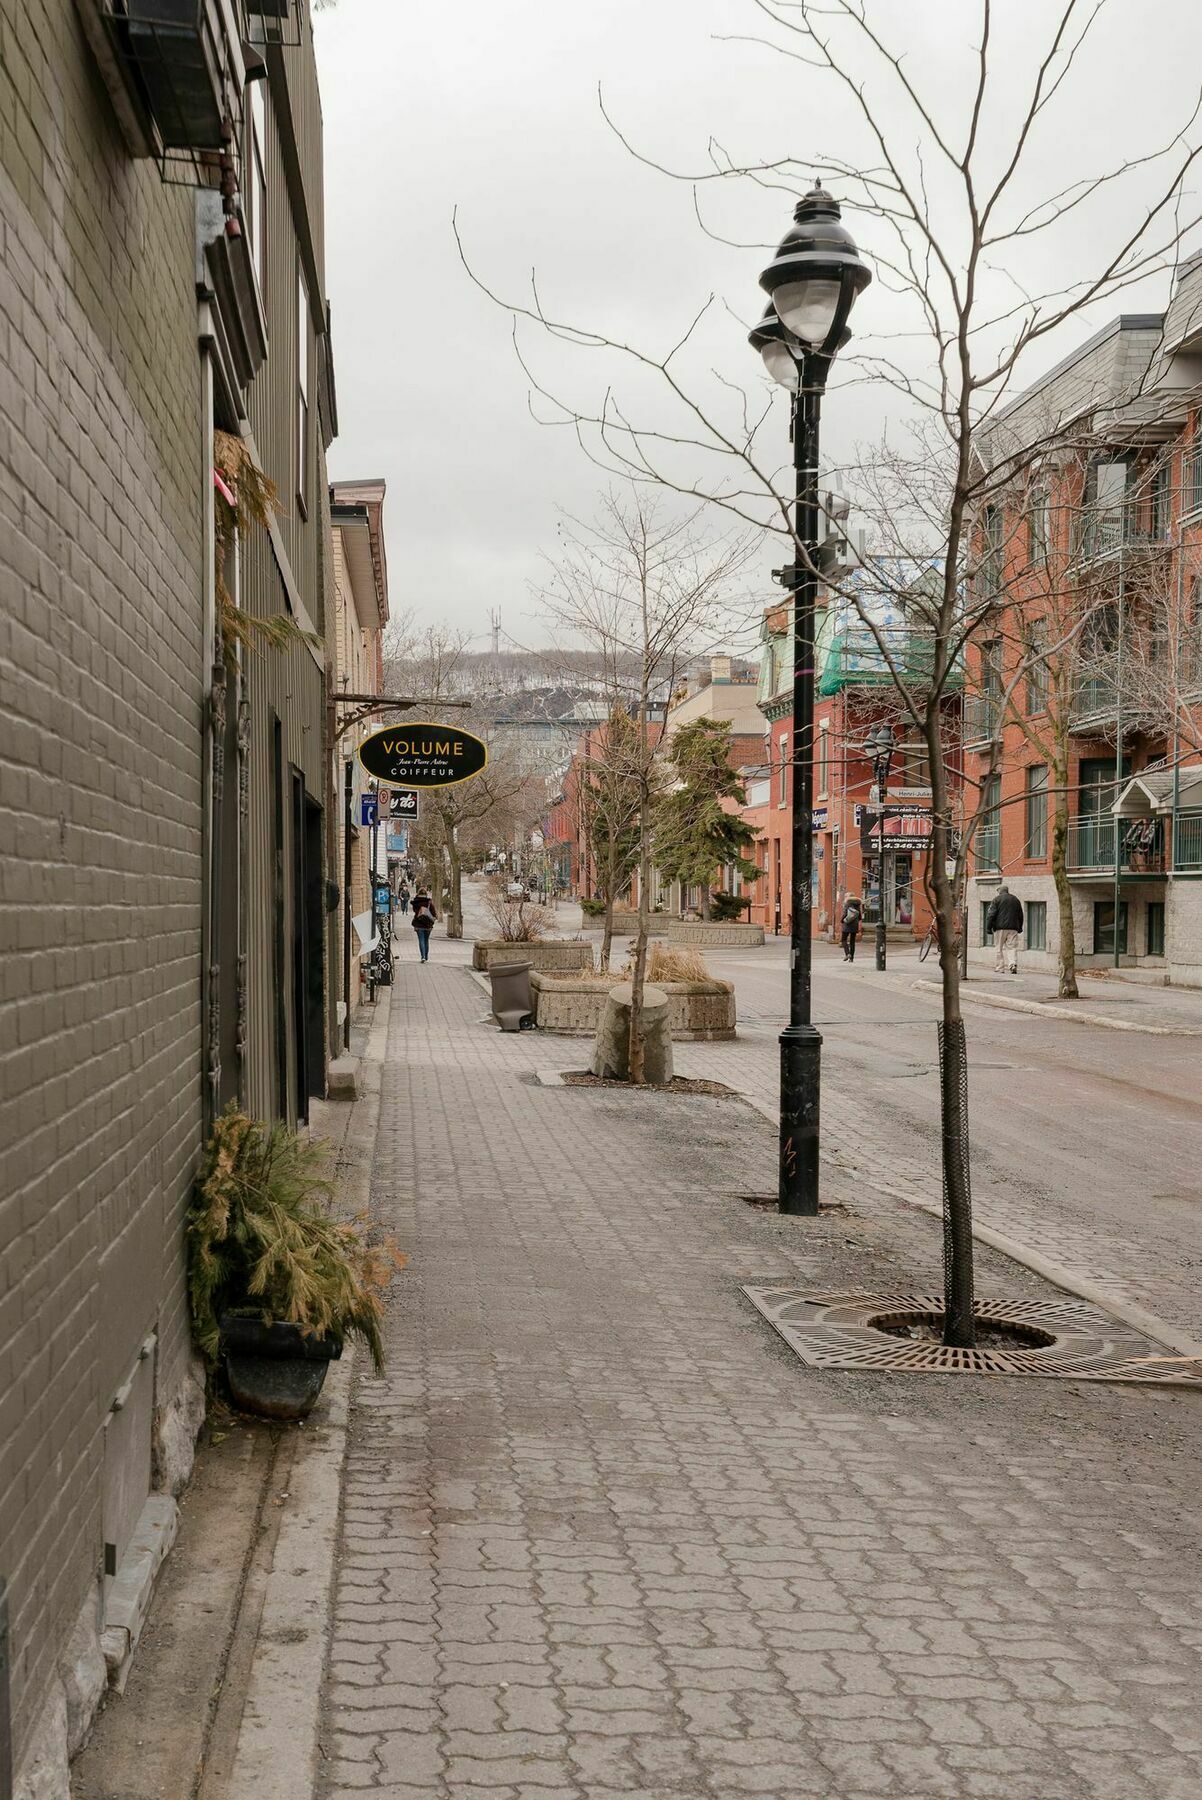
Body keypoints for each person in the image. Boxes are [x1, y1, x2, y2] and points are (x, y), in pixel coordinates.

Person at [986, 883, 1024, 973]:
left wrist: (988, 927)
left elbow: (991, 914)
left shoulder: (996, 899)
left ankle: (1000, 968)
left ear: (1000, 891)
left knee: (999, 948)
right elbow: (1020, 915)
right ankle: (1013, 964)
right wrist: (1020, 927)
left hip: (1000, 928)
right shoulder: (1015, 900)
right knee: (1012, 947)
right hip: (1013, 927)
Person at [411, 889, 437, 963]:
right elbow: (434, 914)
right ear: (426, 894)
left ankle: (423, 957)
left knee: (421, 940)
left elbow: (414, 911)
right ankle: (426, 956)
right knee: (426, 941)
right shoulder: (429, 902)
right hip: (428, 925)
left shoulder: (416, 902)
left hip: (419, 925)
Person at [839, 894, 863, 963]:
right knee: (852, 942)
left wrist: (842, 920)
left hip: (847, 924)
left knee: (843, 940)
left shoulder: (847, 904)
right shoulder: (858, 905)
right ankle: (851, 958)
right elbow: (860, 917)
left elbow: (844, 914)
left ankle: (847, 954)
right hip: (855, 925)